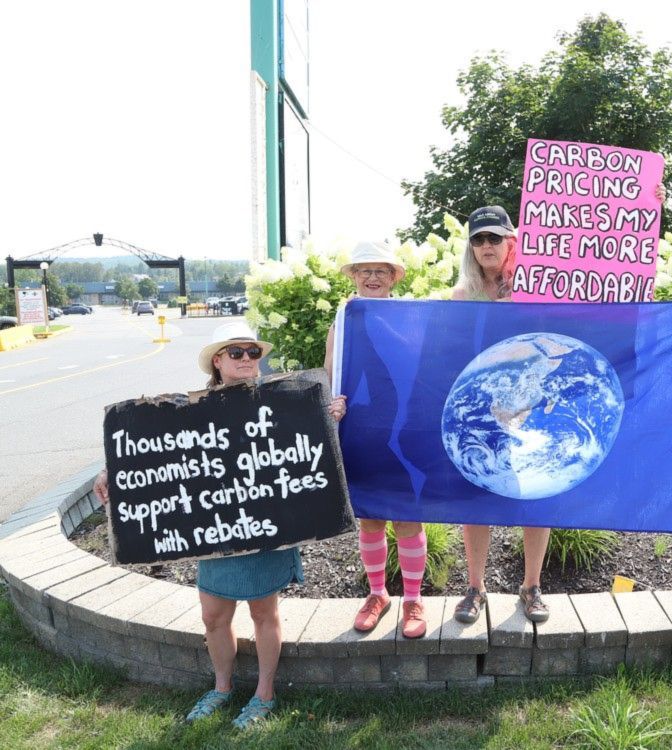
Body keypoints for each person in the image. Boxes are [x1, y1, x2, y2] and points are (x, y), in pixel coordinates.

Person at [95, 321, 301, 729]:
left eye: (252, 352)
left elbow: (314, 438)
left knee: (264, 612)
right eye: (236, 353)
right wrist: (111, 471)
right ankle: (222, 687)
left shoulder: (281, 399)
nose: (246, 359)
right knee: (213, 616)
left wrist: (332, 413)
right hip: (216, 529)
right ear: (218, 362)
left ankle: (265, 693)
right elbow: (149, 448)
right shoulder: (190, 409)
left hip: (265, 526)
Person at [450, 205, 552, 624]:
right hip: (482, 409)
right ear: (470, 248)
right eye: (478, 239)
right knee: (477, 497)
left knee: (537, 496)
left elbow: (604, 275)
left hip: (533, 406)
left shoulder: (541, 286)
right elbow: (451, 353)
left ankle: (532, 586)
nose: (487, 245)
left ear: (513, 240)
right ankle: (475, 587)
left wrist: (647, 201)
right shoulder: (460, 297)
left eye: (495, 237)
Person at [323, 241, 430, 639]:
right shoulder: (344, 319)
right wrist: (332, 403)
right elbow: (331, 372)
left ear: (393, 277)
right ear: (353, 277)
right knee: (369, 517)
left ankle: (414, 599)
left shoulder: (413, 316)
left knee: (407, 515)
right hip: (362, 427)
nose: (371, 277)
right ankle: (377, 593)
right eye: (364, 271)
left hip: (406, 424)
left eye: (380, 271)